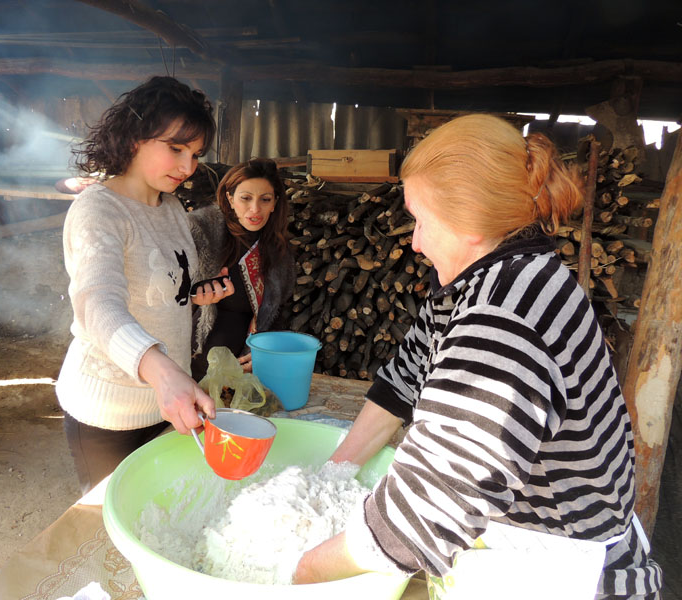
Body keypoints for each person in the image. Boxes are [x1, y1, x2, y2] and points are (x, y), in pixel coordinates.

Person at [293, 114, 662, 598]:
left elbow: (429, 511)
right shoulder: (483, 278)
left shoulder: (505, 313)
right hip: (518, 552)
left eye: (422, 220)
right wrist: (331, 475)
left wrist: (302, 570)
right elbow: (404, 382)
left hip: (563, 574)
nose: (415, 241)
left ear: (469, 223)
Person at [55, 76, 234, 494]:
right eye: (176, 149)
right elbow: (97, 304)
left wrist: (196, 293)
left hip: (167, 401)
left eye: (195, 154)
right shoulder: (99, 209)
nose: (188, 167)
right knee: (115, 526)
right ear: (135, 137)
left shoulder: (170, 207)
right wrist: (164, 373)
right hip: (108, 414)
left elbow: (162, 288)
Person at [187, 158, 295, 381]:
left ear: (275, 202)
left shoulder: (278, 250)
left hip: (246, 372)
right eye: (245, 198)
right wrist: (194, 298)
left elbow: (274, 315)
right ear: (230, 198)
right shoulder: (199, 233)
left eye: (265, 199)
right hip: (191, 366)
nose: (255, 209)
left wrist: (265, 354)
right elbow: (164, 301)